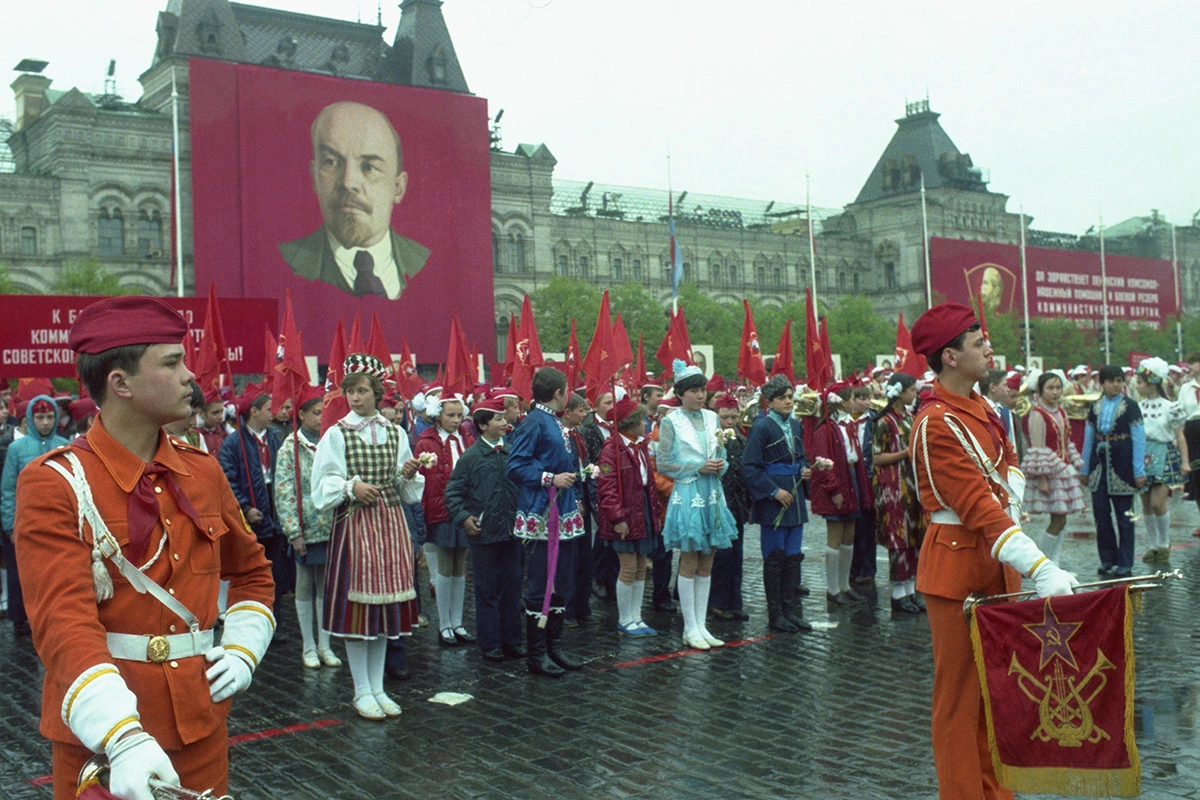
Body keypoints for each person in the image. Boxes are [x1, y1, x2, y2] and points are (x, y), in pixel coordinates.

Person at [15, 296, 275, 799]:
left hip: (199, 727)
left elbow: (252, 573)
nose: (189, 377)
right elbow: (62, 623)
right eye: (173, 362)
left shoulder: (201, 470)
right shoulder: (55, 483)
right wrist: (123, 735)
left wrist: (243, 649)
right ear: (121, 383)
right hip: (102, 743)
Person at [909, 302, 1075, 800]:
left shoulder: (983, 407)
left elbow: (1009, 470)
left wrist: (1014, 503)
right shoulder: (936, 422)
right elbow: (979, 508)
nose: (989, 348)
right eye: (978, 343)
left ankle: (994, 789)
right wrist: (1041, 566)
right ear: (950, 357)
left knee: (995, 690)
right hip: (958, 566)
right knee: (960, 699)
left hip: (997, 561)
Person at [312, 353, 423, 720]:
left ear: (377, 392)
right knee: (360, 615)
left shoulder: (395, 432)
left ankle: (378, 687)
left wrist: (407, 473)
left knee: (383, 615)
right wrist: (350, 485)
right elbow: (322, 485)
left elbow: (406, 490)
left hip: (390, 526)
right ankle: (361, 690)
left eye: (362, 391)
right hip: (356, 527)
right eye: (350, 391)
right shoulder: (337, 433)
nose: (355, 398)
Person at [278, 101, 430, 299]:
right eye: (332, 162)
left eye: (369, 167)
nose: (348, 182)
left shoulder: (426, 265)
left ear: (398, 187)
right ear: (315, 177)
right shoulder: (283, 263)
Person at [506, 367, 585, 677]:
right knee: (542, 582)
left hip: (562, 509)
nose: (568, 395)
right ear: (558, 393)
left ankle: (554, 646)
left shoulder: (552, 421)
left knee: (562, 580)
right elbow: (515, 467)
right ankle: (537, 653)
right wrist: (550, 478)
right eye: (567, 390)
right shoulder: (534, 423)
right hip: (542, 511)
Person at [656, 360, 737, 651]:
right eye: (693, 391)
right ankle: (689, 627)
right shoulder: (670, 421)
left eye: (703, 390)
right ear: (680, 393)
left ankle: (702, 625)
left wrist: (719, 465)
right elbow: (663, 463)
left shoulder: (713, 419)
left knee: (708, 558)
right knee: (690, 557)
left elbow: (722, 454)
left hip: (713, 492)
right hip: (689, 492)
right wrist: (698, 466)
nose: (700, 395)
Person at [443, 398, 524, 662]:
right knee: (487, 591)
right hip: (484, 535)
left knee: (512, 588)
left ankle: (512, 640)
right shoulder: (471, 457)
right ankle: (490, 643)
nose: (504, 422)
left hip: (512, 533)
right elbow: (453, 492)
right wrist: (465, 517)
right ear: (482, 425)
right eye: (498, 418)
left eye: (504, 417)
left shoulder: (512, 453)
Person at [274, 386, 341, 670]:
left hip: (332, 524)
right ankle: (308, 645)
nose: (321, 416)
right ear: (300, 415)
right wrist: (293, 531)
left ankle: (325, 644)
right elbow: (284, 489)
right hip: (305, 526)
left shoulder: (331, 441)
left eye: (324, 411)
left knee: (326, 585)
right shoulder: (290, 447)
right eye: (316, 412)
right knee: (305, 582)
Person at [741, 375, 813, 632]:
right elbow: (749, 467)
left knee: (793, 557)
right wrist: (773, 492)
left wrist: (804, 469)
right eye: (782, 398)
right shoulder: (761, 427)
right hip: (774, 503)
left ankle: (790, 610)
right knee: (775, 557)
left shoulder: (795, 426)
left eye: (790, 397)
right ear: (769, 401)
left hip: (794, 503)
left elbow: (802, 455)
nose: (788, 402)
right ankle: (775, 615)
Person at [218, 388, 290, 638]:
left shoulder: (277, 438)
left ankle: (275, 621)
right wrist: (245, 508)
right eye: (268, 409)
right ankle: (249, 625)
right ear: (254, 411)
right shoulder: (233, 443)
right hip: (251, 513)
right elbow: (228, 480)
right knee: (251, 573)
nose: (273, 414)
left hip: (274, 509)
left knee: (276, 573)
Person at [1, 393, 70, 638]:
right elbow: (8, 489)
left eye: (50, 416)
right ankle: (20, 618)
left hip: (58, 520)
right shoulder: (17, 448)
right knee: (22, 572)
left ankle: (56, 615)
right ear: (30, 418)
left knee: (56, 571)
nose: (45, 422)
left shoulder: (63, 445)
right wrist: (10, 525)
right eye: (40, 417)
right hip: (25, 521)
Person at [595, 398, 661, 637]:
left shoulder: (641, 446)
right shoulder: (611, 448)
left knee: (642, 565)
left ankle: (637, 616)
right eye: (641, 421)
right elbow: (606, 486)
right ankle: (625, 618)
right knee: (629, 566)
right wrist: (617, 517)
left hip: (641, 507)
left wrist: (655, 512)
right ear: (629, 424)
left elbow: (649, 483)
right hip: (624, 512)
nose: (645, 424)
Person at [415, 393, 476, 646]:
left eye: (459, 415)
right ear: (437, 415)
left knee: (460, 565)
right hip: (440, 510)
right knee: (444, 566)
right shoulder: (425, 443)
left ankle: (458, 622)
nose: (455, 420)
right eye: (450, 415)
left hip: (465, 509)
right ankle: (444, 624)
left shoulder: (467, 438)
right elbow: (420, 480)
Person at [809, 381, 872, 606]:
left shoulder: (848, 424)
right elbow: (823, 462)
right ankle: (832, 589)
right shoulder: (825, 429)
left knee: (849, 534)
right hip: (838, 480)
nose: (855, 402)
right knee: (835, 535)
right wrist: (834, 490)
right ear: (841, 402)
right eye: (852, 398)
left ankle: (845, 585)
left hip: (852, 477)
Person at [1080, 364, 1146, 578]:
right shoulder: (1095, 407)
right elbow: (1089, 438)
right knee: (1101, 516)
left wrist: (1139, 470)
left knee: (1125, 517)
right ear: (1102, 383)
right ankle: (1107, 559)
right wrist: (1084, 467)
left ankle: (1126, 562)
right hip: (1100, 469)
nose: (1116, 385)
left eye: (1120, 381)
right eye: (1112, 381)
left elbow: (1138, 438)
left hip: (1123, 467)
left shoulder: (1131, 406)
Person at [871, 372, 926, 615]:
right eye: (911, 390)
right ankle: (897, 593)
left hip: (912, 486)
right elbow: (876, 457)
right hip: (893, 488)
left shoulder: (910, 418)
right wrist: (905, 453)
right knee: (898, 539)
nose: (915, 395)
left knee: (915, 536)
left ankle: (911, 589)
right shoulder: (885, 422)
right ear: (899, 393)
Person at [1019, 370, 1085, 564]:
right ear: (1039, 391)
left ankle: (1053, 562)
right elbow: (1037, 448)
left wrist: (1075, 462)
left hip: (1062, 469)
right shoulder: (1038, 415)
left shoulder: (1061, 412)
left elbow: (1066, 440)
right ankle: (1045, 563)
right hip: (1050, 472)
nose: (1055, 392)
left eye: (1058, 388)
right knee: (1059, 520)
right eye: (1050, 388)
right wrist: (1042, 478)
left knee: (1061, 521)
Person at [1133, 357, 1188, 563]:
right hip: (1142, 455)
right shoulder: (1137, 406)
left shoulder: (1170, 407)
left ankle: (1164, 543)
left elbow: (1180, 436)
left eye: (1140, 382)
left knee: (1157, 502)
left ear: (1152, 383)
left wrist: (1185, 461)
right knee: (1145, 503)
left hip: (1164, 455)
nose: (1137, 386)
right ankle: (1153, 545)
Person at [709, 393, 751, 622]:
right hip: (718, 505)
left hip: (738, 506)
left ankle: (735, 601)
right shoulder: (711, 440)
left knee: (737, 554)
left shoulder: (743, 441)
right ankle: (717, 602)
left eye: (734, 417)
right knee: (720, 556)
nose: (730, 421)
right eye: (725, 417)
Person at [1177, 352, 1200, 535]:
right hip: (1192, 433)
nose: (1190, 367)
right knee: (1197, 476)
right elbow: (1180, 412)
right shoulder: (1186, 388)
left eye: (1193, 363)